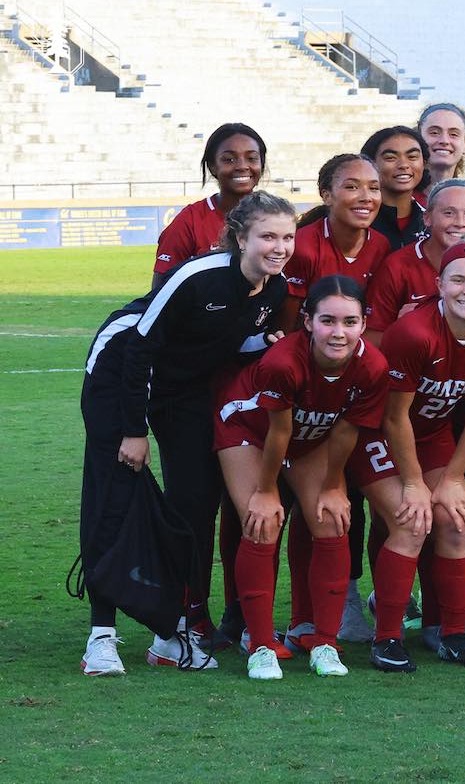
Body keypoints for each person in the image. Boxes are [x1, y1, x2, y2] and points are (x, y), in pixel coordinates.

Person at [79, 190, 294, 676]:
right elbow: (139, 346)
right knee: (114, 493)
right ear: (240, 238)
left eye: (286, 236)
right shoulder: (197, 275)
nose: (278, 247)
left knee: (194, 503)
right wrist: (134, 431)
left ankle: (172, 630)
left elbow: (220, 343)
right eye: (267, 236)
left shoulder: (274, 291)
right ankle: (101, 636)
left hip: (182, 389)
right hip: (121, 371)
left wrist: (266, 343)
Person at [216, 276, 389, 679]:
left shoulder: (373, 366)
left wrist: (332, 486)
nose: (338, 332)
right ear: (307, 321)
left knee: (331, 519)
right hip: (249, 429)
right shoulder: (283, 361)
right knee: (263, 522)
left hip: (309, 437)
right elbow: (278, 431)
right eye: (327, 321)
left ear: (364, 323)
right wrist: (265, 490)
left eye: (349, 321)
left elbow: (346, 429)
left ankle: (324, 643)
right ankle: (260, 645)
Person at [367, 240, 465, 672]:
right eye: (458, 279)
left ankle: (453, 633)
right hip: (374, 434)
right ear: (439, 284)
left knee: (455, 519)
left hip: (430, 433)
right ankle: (388, 637)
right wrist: (416, 484)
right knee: (411, 520)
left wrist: (453, 478)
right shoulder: (414, 332)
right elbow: (394, 418)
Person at [366, 179, 465, 341]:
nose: (460, 223)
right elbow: (370, 338)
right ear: (427, 217)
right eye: (448, 213)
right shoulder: (397, 266)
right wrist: (401, 328)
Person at [281, 155, 391, 330]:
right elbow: (285, 326)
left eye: (374, 188)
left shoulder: (380, 245)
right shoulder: (303, 245)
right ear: (327, 196)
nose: (367, 197)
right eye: (352, 187)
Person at [152, 123, 266, 289]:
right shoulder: (190, 220)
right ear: (212, 166)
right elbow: (161, 289)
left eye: (252, 158)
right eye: (229, 159)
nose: (242, 166)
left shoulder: (275, 217)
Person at [362, 126, 430, 251]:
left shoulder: (431, 221)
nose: (403, 165)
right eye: (390, 158)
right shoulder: (357, 219)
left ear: (424, 163)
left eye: (412, 157)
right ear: (371, 164)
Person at [418, 102, 465, 189]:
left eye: (453, 134)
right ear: (418, 138)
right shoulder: (400, 198)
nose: (444, 141)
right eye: (434, 133)